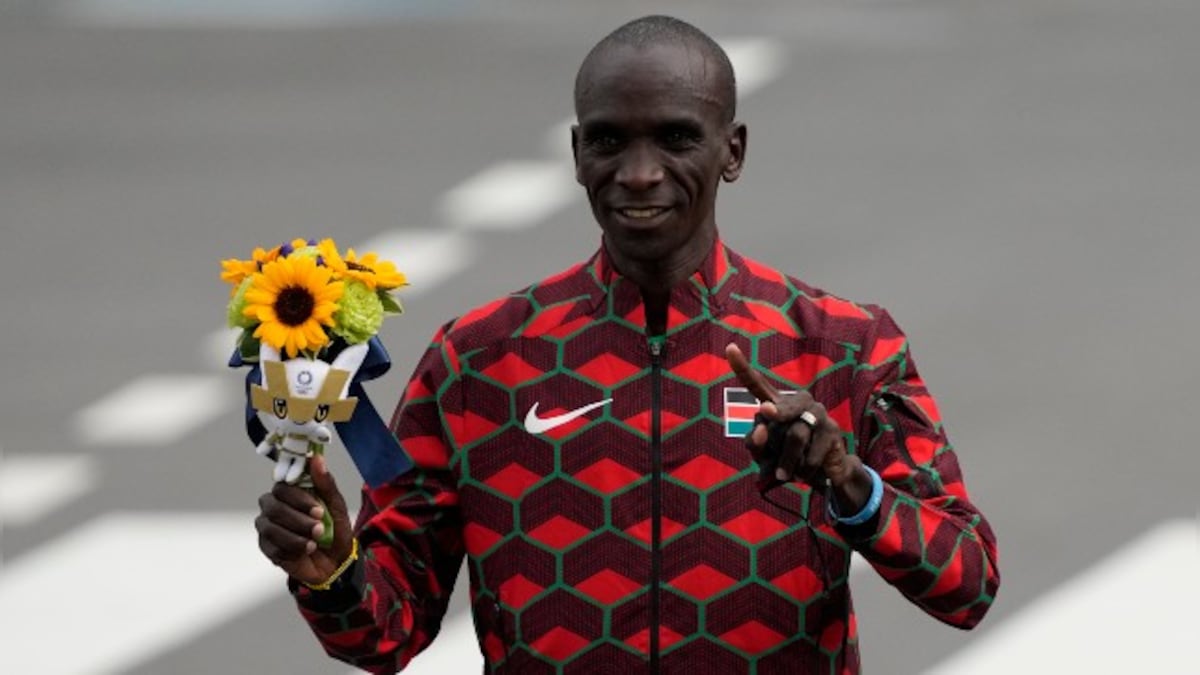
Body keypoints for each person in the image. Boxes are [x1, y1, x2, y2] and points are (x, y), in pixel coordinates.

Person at [255, 15, 999, 674]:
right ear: (577, 154)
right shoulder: (476, 361)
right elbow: (386, 633)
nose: (640, 174)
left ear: (731, 151)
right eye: (610, 140)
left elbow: (968, 581)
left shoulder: (844, 346)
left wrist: (849, 483)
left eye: (677, 138)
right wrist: (333, 572)